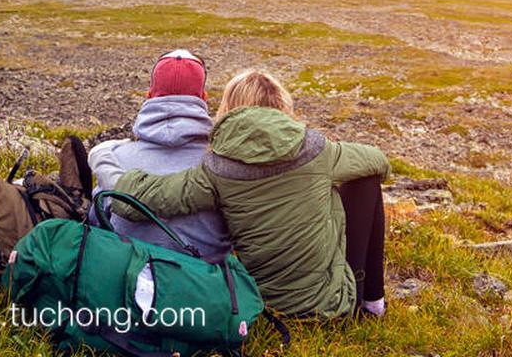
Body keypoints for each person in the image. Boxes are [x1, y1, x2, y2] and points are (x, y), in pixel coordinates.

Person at [89, 69, 390, 319]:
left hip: (259, 304)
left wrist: (102, 156)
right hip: (332, 304)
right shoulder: (318, 150)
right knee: (365, 182)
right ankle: (372, 301)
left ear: (229, 110)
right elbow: (379, 161)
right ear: (283, 107)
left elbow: (136, 201)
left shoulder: (216, 169)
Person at [90, 49, 232, 262]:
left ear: (149, 96)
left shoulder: (114, 158)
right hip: (206, 290)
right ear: (203, 98)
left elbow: (97, 224)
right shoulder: (223, 164)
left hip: (128, 287)